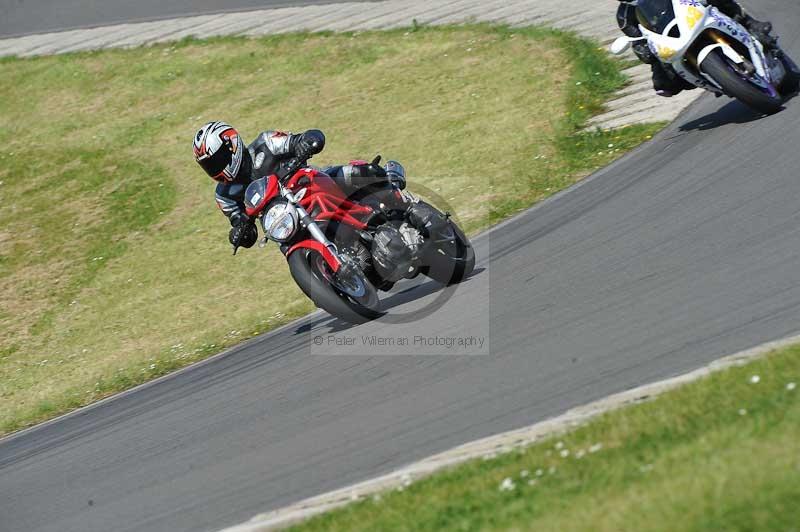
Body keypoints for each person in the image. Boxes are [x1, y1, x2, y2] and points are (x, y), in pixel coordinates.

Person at [192, 122, 408, 251]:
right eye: (208, 166)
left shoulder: (265, 144)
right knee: (287, 248)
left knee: (360, 173)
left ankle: (397, 191)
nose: (216, 169)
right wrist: (239, 232)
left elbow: (299, 140)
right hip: (286, 220)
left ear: (232, 145)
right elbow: (240, 222)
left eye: (217, 160)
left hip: (312, 184)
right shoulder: (225, 195)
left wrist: (306, 141)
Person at [617, 0, 775, 96]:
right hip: (671, 40)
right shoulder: (624, 15)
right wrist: (642, 50)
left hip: (693, 17)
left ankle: (748, 22)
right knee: (664, 84)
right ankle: (715, 80)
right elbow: (637, 39)